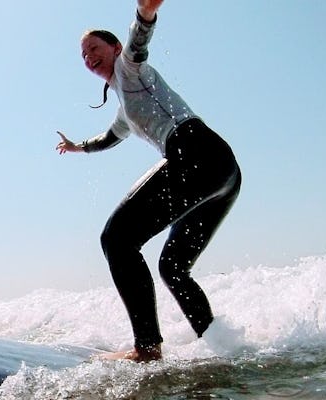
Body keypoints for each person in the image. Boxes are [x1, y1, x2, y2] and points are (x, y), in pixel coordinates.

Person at [56, 0, 241, 362]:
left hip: (195, 152)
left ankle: (147, 348)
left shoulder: (130, 69)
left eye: (94, 47)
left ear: (113, 48)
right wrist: (77, 147)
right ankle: (221, 346)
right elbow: (109, 138)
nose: (88, 56)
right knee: (172, 266)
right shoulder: (124, 109)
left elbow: (139, 40)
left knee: (116, 238)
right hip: (224, 171)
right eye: (83, 54)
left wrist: (145, 12)